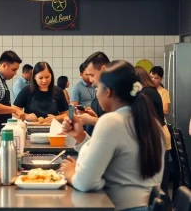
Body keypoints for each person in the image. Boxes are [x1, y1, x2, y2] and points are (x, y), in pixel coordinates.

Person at [60, 61, 164, 211]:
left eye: (97, 87)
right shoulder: (150, 121)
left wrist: (71, 173)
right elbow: (119, 162)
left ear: (107, 91)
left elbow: (86, 183)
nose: (96, 92)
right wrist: (81, 136)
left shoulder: (111, 121)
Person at [135, 66, 171, 196]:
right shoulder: (146, 90)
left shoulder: (147, 92)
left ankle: (164, 204)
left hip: (158, 134)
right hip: (156, 134)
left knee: (160, 180)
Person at [78, 52, 110, 135]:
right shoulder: (99, 96)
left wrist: (92, 120)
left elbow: (120, 126)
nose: (90, 80)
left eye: (92, 75)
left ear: (103, 69)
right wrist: (94, 117)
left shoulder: (117, 94)